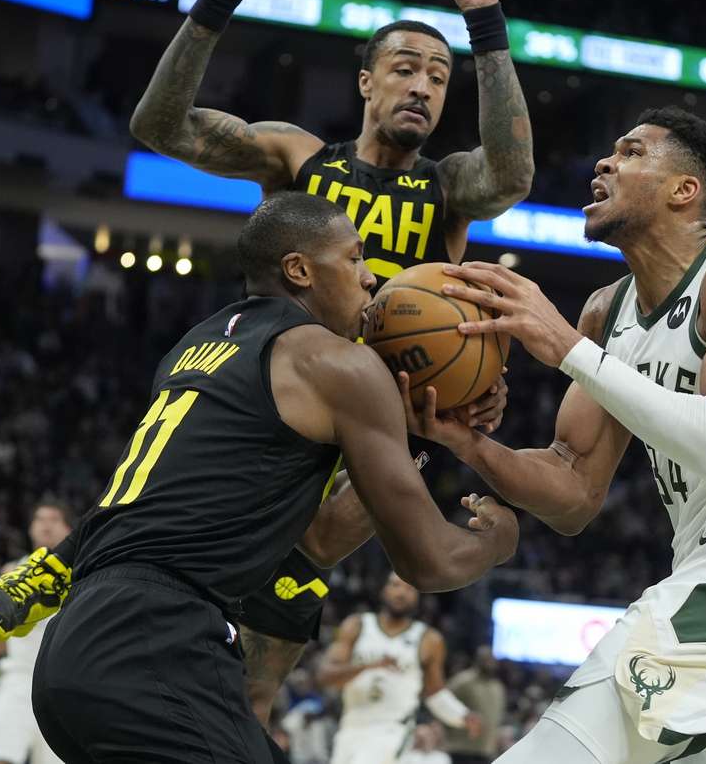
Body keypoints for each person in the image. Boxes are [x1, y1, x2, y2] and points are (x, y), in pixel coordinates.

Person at [0, 0, 533, 725]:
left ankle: (233, 719)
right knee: (180, 485)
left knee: (274, 641)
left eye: (439, 78)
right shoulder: (299, 155)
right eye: (406, 68)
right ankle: (59, 565)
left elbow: (511, 176)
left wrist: (484, 21)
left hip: (378, 409)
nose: (422, 86)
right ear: (366, 82)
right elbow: (159, 125)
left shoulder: (448, 188)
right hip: (278, 376)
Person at [403, 107, 706, 764]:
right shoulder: (604, 311)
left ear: (683, 191)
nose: (605, 163)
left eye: (632, 152)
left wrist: (567, 351)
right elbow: (574, 491)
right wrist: (470, 445)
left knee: (559, 748)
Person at [27, 192, 518, 763]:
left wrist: (408, 435)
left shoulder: (198, 344)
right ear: (299, 269)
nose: (369, 279)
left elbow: (319, 541)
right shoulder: (335, 363)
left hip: (73, 647)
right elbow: (430, 560)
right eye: (355, 259)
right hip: (155, 641)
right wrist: (500, 541)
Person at [317, 572, 481, 764]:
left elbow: (435, 693)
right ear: (384, 590)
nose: (401, 593)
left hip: (393, 730)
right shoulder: (357, 626)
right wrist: (368, 666)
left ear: (418, 596)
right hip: (351, 726)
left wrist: (461, 715)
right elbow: (325, 677)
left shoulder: (429, 639)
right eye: (395, 585)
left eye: (409, 588)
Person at [0, 502, 73, 764]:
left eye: (54, 519)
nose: (45, 524)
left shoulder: (83, 576)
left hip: (62, 685)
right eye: (39, 519)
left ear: (69, 529)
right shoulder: (10, 571)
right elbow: (2, 635)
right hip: (18, 679)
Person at [442, 646, 507, 764]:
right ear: (478, 660)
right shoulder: (463, 681)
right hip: (461, 748)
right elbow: (442, 703)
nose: (490, 663)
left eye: (491, 660)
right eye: (486, 660)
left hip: (486, 749)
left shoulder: (497, 687)